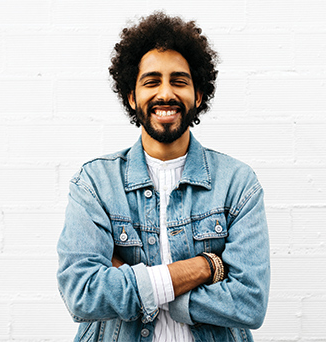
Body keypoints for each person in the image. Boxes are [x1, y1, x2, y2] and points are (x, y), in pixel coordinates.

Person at [57, 12, 270, 342]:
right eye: (152, 81)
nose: (166, 93)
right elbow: (82, 294)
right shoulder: (95, 184)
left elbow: (248, 303)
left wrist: (139, 286)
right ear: (132, 96)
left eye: (179, 81)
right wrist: (203, 268)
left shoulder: (237, 184)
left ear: (198, 95)